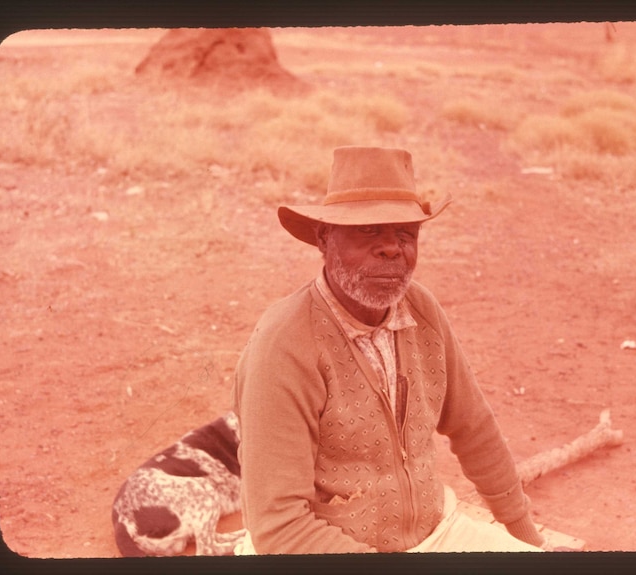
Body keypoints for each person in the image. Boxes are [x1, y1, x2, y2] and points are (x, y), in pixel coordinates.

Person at [232, 146, 547, 554]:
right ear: (324, 238)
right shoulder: (284, 344)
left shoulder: (422, 310)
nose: (391, 249)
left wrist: (525, 537)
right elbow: (280, 527)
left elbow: (475, 429)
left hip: (433, 535)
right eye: (368, 231)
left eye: (405, 233)